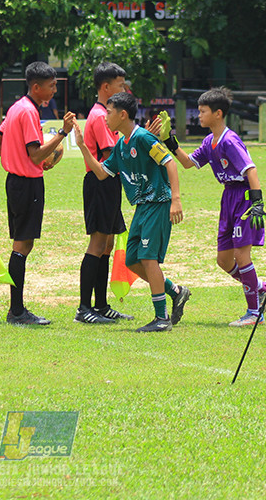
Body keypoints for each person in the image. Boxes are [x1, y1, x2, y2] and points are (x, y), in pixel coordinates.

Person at [73, 91, 187, 332]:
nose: (105, 117)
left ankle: (161, 318)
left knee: (148, 258)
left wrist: (176, 199)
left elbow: (170, 163)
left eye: (110, 112)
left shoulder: (143, 138)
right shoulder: (120, 146)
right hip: (142, 207)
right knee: (134, 261)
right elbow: (103, 173)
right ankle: (175, 291)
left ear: (123, 115)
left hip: (158, 203)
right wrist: (83, 147)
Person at [164, 88, 266, 326]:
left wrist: (257, 201)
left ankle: (254, 314)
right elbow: (188, 163)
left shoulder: (230, 140)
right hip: (228, 199)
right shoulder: (208, 141)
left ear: (218, 113)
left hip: (243, 198)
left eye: (203, 111)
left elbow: (250, 170)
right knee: (224, 260)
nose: (198, 115)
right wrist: (170, 142)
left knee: (242, 256)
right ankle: (261, 287)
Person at [0, 61, 74, 326]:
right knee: (22, 245)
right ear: (36, 87)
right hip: (27, 184)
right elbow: (35, 153)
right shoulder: (28, 112)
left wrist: (20, 160)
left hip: (16, 181)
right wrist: (62, 133)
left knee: (22, 243)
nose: (53, 92)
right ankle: (16, 311)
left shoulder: (17, 108)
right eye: (50, 87)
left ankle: (17, 309)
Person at [75, 62, 132, 324]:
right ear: (106, 87)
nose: (125, 89)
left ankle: (101, 305)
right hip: (100, 182)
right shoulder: (100, 116)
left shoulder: (107, 113)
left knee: (107, 244)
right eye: (121, 85)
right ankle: (84, 308)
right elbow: (111, 156)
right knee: (97, 244)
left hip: (109, 183)